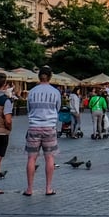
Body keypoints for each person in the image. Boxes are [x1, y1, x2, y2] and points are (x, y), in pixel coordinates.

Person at [24, 66, 61, 196]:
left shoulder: (32, 92)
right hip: (49, 127)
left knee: (31, 158)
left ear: (39, 77)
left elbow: (28, 109)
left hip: (34, 126)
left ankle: (29, 189)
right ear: (50, 77)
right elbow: (58, 108)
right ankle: (48, 188)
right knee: (49, 157)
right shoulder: (55, 92)